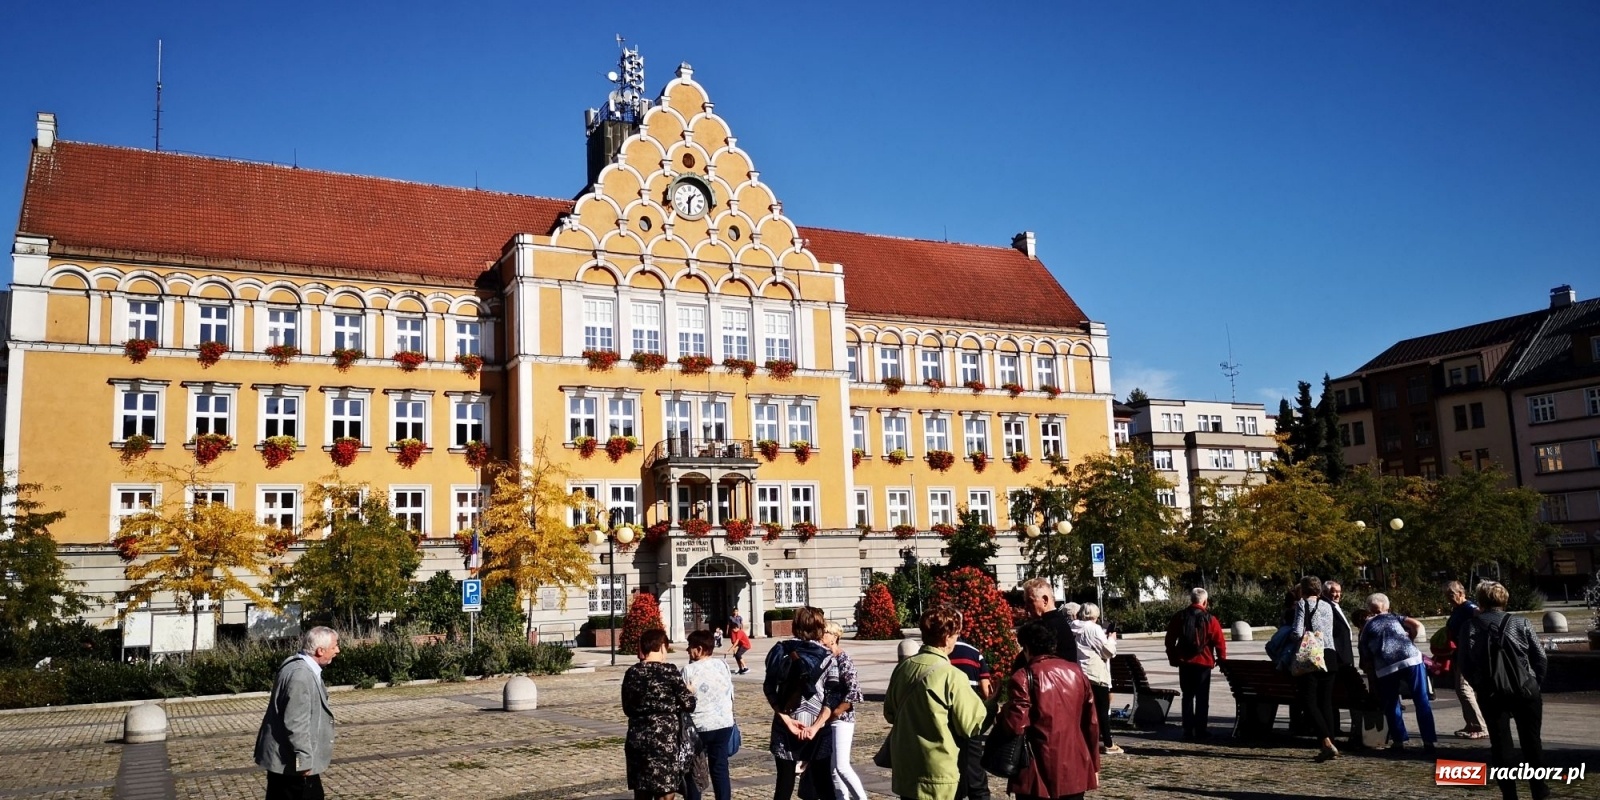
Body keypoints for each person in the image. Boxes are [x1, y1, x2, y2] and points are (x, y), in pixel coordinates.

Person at [883, 607, 986, 800]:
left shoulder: (903, 668)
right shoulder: (952, 675)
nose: (957, 639)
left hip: (907, 769)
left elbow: (889, 713)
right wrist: (990, 706)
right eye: (956, 634)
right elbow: (970, 724)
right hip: (938, 773)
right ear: (947, 637)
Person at [1461, 581, 1550, 800]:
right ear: (1504, 599)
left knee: (1501, 745)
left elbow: (1465, 663)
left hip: (1491, 692)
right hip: (1525, 690)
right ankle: (1540, 792)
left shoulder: (1470, 626)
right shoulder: (1521, 622)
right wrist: (1534, 683)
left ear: (1480, 601)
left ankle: (1509, 794)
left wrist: (1479, 685)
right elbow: (1540, 657)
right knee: (1532, 743)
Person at [999, 622, 1100, 800]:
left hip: (1037, 768)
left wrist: (1002, 713)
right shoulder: (1076, 672)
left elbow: (1016, 725)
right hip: (1074, 765)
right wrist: (1094, 765)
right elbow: (1091, 723)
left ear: (1026, 648)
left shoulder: (1023, 677)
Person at [255, 627, 340, 800]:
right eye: (335, 646)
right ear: (320, 651)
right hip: (292, 764)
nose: (338, 650)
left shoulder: (295, 663)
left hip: (285, 761)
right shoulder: (300, 675)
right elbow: (295, 723)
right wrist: (304, 762)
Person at [763, 606, 836, 800]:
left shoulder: (780, 651)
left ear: (795, 626)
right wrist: (816, 726)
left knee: (784, 786)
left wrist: (786, 720)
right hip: (818, 729)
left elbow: (769, 688)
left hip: (785, 727)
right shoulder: (828, 657)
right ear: (820, 628)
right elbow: (833, 696)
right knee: (824, 784)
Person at [623, 629, 697, 800]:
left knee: (642, 790)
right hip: (663, 740)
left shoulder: (632, 673)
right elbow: (689, 704)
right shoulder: (669, 671)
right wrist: (689, 691)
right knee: (665, 791)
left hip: (638, 738)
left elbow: (627, 708)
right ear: (663, 647)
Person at [1358, 593, 1437, 754]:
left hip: (1386, 667)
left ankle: (1399, 740)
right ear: (1387, 607)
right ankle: (1428, 740)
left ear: (1370, 609)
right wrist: (1411, 641)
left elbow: (1365, 653)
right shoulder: (1395, 617)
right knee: (1421, 700)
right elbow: (1416, 625)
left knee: (1391, 703)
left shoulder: (1367, 626)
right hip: (1411, 659)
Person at [1291, 576, 1345, 761]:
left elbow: (1298, 631)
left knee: (1308, 701)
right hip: (1330, 655)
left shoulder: (1301, 604)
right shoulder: (1327, 605)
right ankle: (1330, 743)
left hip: (1312, 655)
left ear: (1302, 590)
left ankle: (1326, 741)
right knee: (1325, 703)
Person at [1163, 587, 1226, 741]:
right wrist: (1222, 660)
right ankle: (1201, 729)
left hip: (1185, 662)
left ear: (1191, 600)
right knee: (1202, 697)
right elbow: (1220, 642)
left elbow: (1169, 639)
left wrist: (1173, 657)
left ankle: (1187, 729)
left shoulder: (1180, 616)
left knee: (1187, 696)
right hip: (1203, 662)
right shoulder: (1211, 619)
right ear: (1205, 601)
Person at [682, 630, 735, 800]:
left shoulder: (688, 670)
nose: (688, 651)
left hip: (700, 726)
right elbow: (731, 693)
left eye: (690, 647)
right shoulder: (723, 665)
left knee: (694, 768)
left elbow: (684, 700)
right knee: (720, 767)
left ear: (699, 649)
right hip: (723, 723)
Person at [818, 622, 867, 800]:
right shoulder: (826, 659)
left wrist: (835, 713)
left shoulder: (843, 659)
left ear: (835, 637)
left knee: (842, 766)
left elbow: (853, 692)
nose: (822, 635)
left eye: (825, 633)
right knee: (833, 769)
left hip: (841, 718)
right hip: (828, 718)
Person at [948, 630, 996, 800]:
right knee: (975, 769)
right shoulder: (974, 653)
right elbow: (985, 689)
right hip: (970, 715)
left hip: (945, 720)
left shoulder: (935, 654)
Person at [1073, 603, 1122, 754]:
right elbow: (1108, 652)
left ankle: (1084, 741)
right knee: (1102, 709)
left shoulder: (1073, 627)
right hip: (1095, 673)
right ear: (1094, 616)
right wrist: (1112, 639)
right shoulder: (1093, 628)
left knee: (1083, 710)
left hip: (1079, 673)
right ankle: (1108, 743)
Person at [1444, 580, 1489, 739]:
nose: (1449, 598)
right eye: (1446, 595)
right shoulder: (1458, 609)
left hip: (1469, 654)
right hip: (1459, 653)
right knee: (1461, 689)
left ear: (1461, 593)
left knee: (1464, 689)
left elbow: (1484, 620)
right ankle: (1471, 724)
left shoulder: (1469, 608)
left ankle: (1479, 726)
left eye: (1451, 594)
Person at [1014, 577, 1078, 669]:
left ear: (1045, 600)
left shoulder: (1046, 627)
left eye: (1030, 601)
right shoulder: (1059, 621)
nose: (1026, 607)